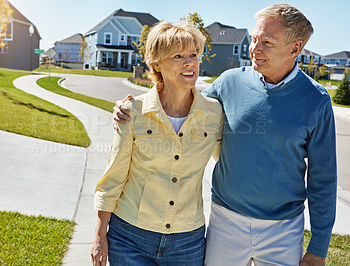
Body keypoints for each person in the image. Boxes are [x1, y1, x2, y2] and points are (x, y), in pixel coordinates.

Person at [113, 4, 337, 266]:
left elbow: (323, 179)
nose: (254, 49)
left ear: (295, 48)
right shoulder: (229, 83)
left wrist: (319, 247)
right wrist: (131, 107)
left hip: (283, 228)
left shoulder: (316, 100)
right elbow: (178, 104)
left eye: (266, 42)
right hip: (225, 220)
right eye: (254, 39)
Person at [90, 21, 224, 266]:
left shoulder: (214, 113)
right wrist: (100, 234)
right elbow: (114, 176)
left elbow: (231, 163)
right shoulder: (133, 111)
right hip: (129, 237)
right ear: (157, 63)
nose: (189, 63)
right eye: (178, 56)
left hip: (188, 241)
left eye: (193, 55)